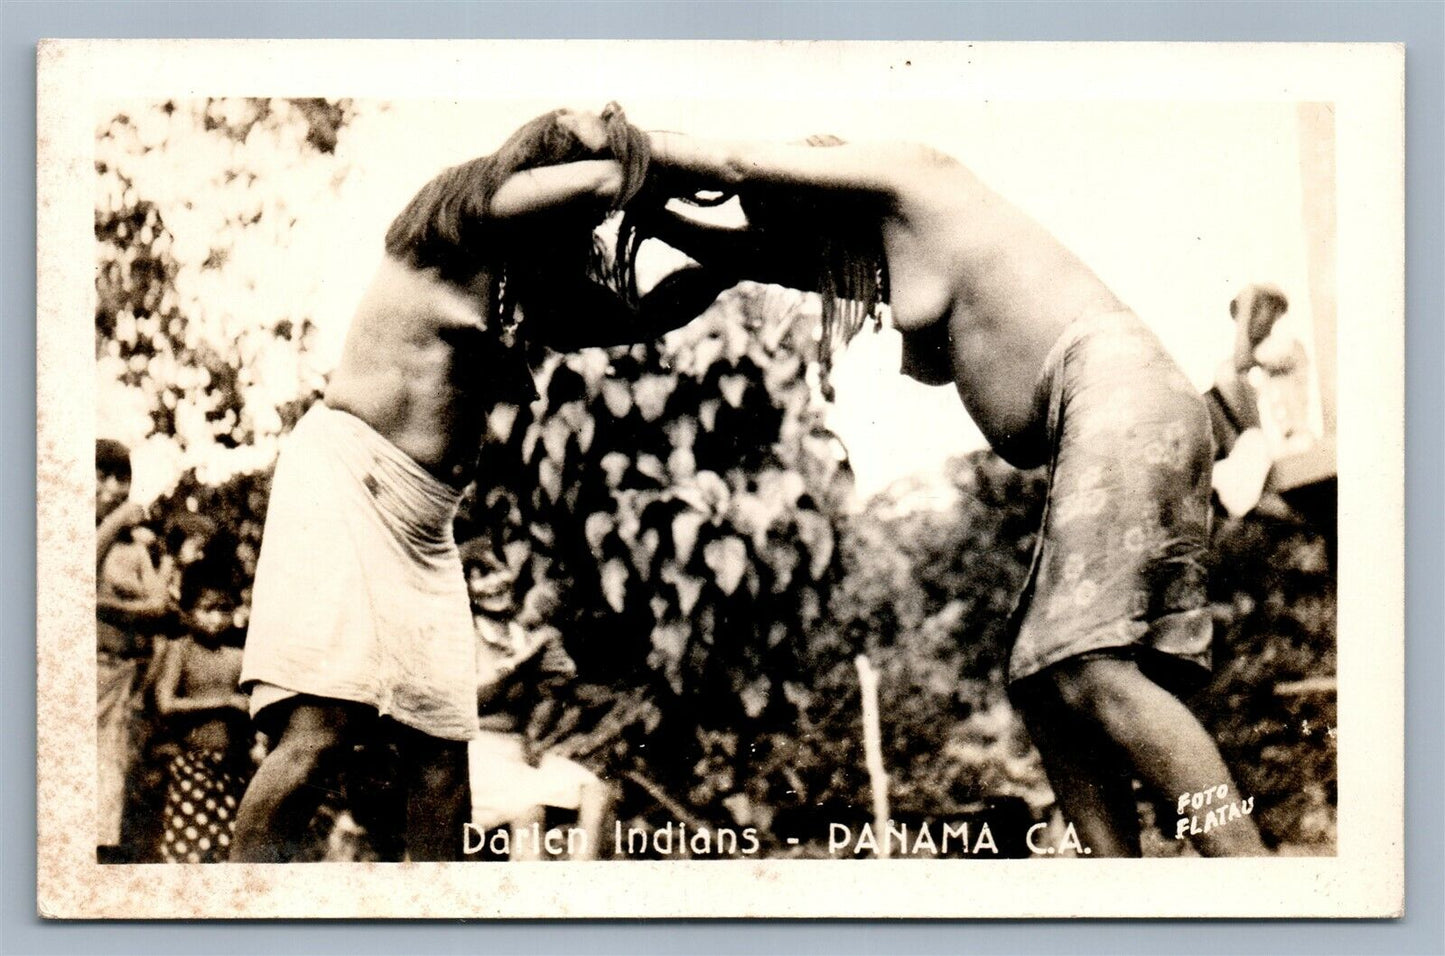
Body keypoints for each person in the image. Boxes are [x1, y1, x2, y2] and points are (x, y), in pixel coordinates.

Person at [624, 125, 1265, 856]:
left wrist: (617, 148)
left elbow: (733, 160)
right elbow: (753, 257)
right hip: (1117, 411)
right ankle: (1117, 886)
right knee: (1042, 679)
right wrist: (660, 219)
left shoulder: (918, 176)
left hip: (1118, 398)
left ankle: (1243, 865)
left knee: (1085, 662)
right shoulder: (893, 248)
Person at [230, 104, 709, 862]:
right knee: (320, 733)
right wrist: (710, 171)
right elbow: (607, 176)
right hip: (348, 481)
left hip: (424, 527)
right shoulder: (452, 219)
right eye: (588, 124)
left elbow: (646, 312)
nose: (608, 113)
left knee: (442, 753)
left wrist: (740, 258)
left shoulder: (524, 285)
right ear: (542, 166)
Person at [95, 439, 171, 862]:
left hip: (123, 675)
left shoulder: (134, 548)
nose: (114, 487)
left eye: (122, 478)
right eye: (102, 475)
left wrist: (108, 608)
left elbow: (159, 607)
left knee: (112, 784)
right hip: (80, 673)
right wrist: (119, 518)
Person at [154, 556, 251, 863]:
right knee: (189, 850)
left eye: (224, 608)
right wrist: (224, 701)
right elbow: (165, 703)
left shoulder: (238, 656)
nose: (217, 618)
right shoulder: (180, 650)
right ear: (186, 612)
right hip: (191, 766)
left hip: (233, 767)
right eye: (207, 608)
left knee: (228, 849)